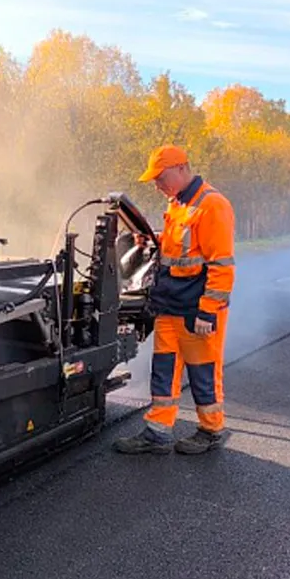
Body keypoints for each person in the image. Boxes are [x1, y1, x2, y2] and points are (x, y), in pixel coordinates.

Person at [114, 144, 236, 456]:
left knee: (203, 372)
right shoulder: (177, 203)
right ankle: (158, 432)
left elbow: (221, 266)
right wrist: (152, 239)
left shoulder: (212, 205)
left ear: (182, 169)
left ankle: (211, 430)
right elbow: (179, 251)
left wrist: (208, 312)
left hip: (196, 309)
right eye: (154, 179)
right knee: (164, 370)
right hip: (169, 304)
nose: (157, 184)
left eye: (161, 177)